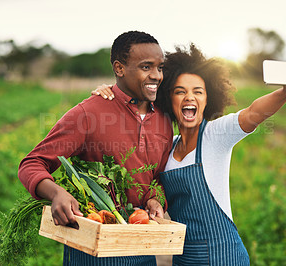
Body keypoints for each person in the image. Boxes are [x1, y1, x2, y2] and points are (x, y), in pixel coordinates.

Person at [93, 44, 286, 265]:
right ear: (168, 99)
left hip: (225, 256)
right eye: (180, 91)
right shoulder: (166, 147)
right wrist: (109, 94)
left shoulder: (216, 136)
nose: (189, 97)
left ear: (208, 99)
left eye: (198, 91)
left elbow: (253, 112)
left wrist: (285, 91)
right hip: (183, 258)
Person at [18, 31, 173, 266]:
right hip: (94, 244)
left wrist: (154, 199)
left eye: (160, 67)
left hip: (143, 244)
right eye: (146, 67)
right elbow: (32, 163)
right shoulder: (88, 114)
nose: (156, 76)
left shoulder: (163, 120)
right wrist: (56, 193)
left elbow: (156, 178)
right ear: (119, 69)